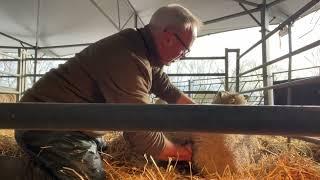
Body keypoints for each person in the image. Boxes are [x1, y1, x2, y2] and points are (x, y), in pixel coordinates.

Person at [15, 4, 202, 179]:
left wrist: (203, 118)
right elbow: (140, 131)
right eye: (185, 50)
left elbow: (167, 89)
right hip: (46, 126)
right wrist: (184, 153)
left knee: (115, 157)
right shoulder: (128, 56)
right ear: (168, 37)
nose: (183, 56)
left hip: (75, 127)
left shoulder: (141, 49)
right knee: (91, 176)